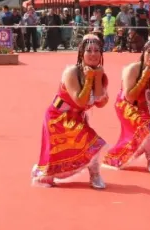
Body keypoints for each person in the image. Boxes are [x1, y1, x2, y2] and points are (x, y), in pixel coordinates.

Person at [31, 33, 110, 189]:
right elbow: (80, 101)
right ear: (81, 53)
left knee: (92, 143)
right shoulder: (72, 72)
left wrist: (98, 78)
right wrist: (88, 79)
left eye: (96, 50)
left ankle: (95, 175)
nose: (93, 54)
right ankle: (43, 173)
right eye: (89, 50)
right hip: (58, 117)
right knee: (58, 155)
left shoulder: (100, 74)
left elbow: (101, 102)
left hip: (77, 116)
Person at [102, 37, 150, 173]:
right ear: (143, 53)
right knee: (149, 127)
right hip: (126, 105)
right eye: (149, 52)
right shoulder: (132, 69)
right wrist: (144, 78)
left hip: (145, 105)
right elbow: (129, 97)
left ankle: (149, 155)